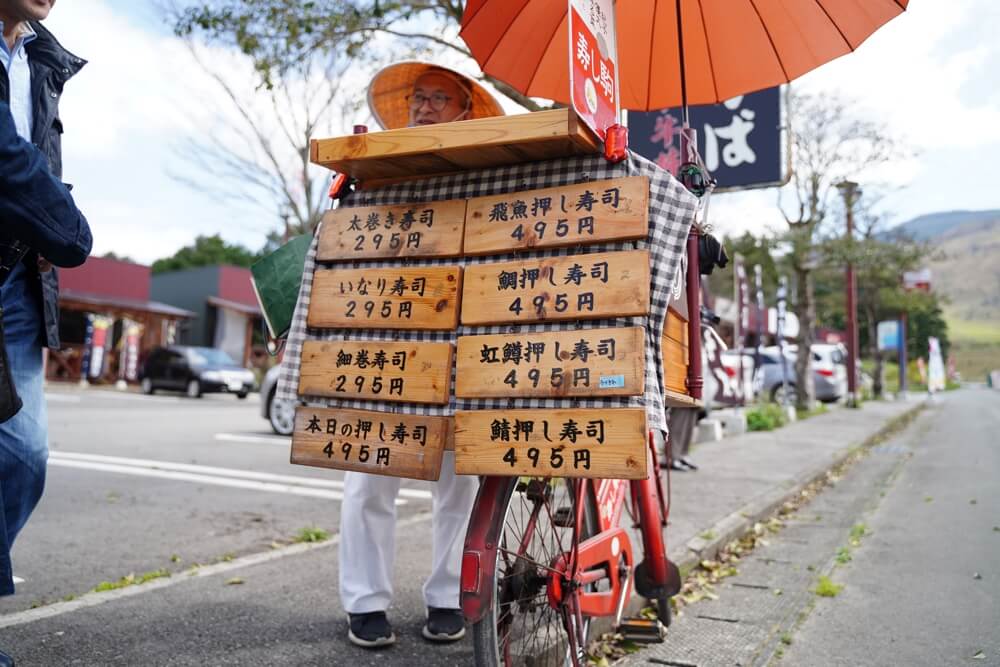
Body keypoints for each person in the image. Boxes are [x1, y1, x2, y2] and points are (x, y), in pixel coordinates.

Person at [338, 62, 503, 649]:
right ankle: (365, 602)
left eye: (440, 98)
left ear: (465, 112)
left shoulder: (490, 175)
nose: (425, 106)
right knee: (368, 476)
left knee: (459, 479)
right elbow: (341, 241)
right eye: (419, 97)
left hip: (463, 341)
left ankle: (447, 596)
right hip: (386, 336)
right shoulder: (377, 164)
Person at [0, 99, 90, 665]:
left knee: (25, 455)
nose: (49, 1)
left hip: (16, 279)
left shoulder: (42, 62)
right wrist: (70, 228)